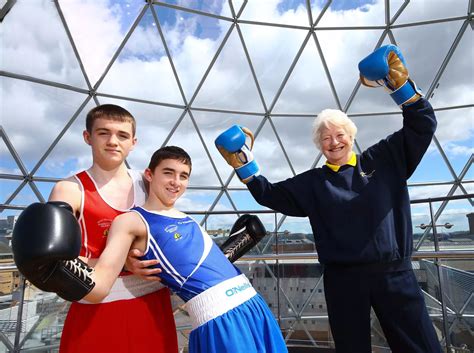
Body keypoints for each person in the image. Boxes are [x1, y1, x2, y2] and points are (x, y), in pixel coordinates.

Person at [215, 45, 443, 353]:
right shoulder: (313, 183)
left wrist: (399, 85)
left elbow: (422, 125)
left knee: (422, 346)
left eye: (339, 135)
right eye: (325, 137)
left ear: (351, 136)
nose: (333, 142)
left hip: (394, 273)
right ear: (319, 145)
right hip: (343, 279)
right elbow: (268, 194)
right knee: (351, 348)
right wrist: (243, 163)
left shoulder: (383, 158)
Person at [12, 146, 287, 353]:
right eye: (168, 173)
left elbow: (198, 266)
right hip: (222, 319)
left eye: (183, 176)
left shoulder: (184, 216)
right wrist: (54, 268)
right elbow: (99, 286)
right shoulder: (131, 221)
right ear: (149, 175)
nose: (175, 182)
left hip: (254, 307)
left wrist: (238, 242)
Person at [45, 104, 178, 353]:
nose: (113, 141)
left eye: (122, 135)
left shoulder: (149, 183)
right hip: (96, 307)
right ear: (88, 137)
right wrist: (119, 264)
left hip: (154, 304)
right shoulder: (69, 189)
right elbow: (55, 261)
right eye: (103, 133)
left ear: (134, 142)